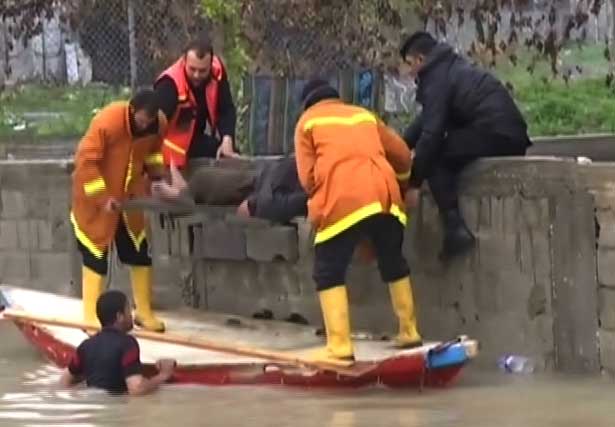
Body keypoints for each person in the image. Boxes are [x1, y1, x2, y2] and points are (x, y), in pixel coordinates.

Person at [294, 78, 423, 362]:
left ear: (306, 104)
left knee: (328, 271)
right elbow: (402, 155)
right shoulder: (363, 115)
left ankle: (339, 346)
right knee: (392, 260)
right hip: (385, 197)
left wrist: (323, 189)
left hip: (342, 199)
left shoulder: (308, 122)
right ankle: (409, 330)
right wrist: (401, 184)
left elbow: (307, 178)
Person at [400, 31, 531, 260]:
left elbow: (431, 136)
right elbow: (425, 122)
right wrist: (397, 147)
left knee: (435, 155)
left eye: (410, 64)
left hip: (494, 132)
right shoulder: (449, 69)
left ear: (421, 60)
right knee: (436, 149)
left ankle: (455, 229)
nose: (409, 72)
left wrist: (413, 183)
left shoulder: (437, 78)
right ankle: (454, 228)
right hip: (507, 132)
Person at [71, 89, 167, 332]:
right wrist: (103, 198)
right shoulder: (107, 122)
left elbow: (154, 152)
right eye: (142, 119)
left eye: (150, 120)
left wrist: (157, 178)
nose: (145, 124)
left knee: (139, 252)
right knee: (96, 255)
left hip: (130, 201)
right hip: (95, 203)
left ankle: (143, 312)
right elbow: (86, 162)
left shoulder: (159, 124)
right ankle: (91, 317)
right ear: (132, 110)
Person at [60, 290, 176, 395]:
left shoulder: (85, 346)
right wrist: (163, 375)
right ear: (119, 316)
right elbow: (137, 388)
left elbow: (64, 381)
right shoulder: (127, 343)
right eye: (129, 311)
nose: (131, 316)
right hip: (114, 409)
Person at [154, 34, 238, 169]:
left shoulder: (217, 72)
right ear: (184, 61)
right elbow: (153, 127)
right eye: (192, 69)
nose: (197, 75)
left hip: (196, 139)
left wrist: (227, 138)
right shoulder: (169, 85)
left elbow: (226, 109)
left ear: (210, 65)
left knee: (230, 158)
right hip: (171, 148)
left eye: (202, 71)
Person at [151, 156, 308, 224]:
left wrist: (253, 204)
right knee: (203, 184)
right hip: (253, 182)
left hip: (252, 184)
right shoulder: (301, 166)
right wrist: (253, 204)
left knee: (202, 185)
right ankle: (175, 191)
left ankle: (176, 190)